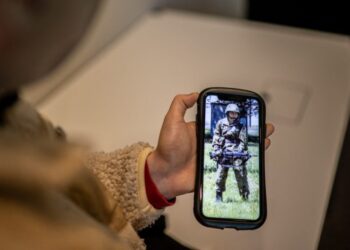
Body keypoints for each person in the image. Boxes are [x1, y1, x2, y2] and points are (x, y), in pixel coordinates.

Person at [0, 1, 275, 249]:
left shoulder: (10, 111)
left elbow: (68, 187)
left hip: (230, 161)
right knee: (222, 182)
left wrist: (157, 173)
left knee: (238, 183)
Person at [212, 103, 249, 202]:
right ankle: (218, 197)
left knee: (241, 174)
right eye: (232, 113)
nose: (233, 115)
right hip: (223, 152)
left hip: (237, 153)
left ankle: (244, 196)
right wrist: (216, 149)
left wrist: (239, 152)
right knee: (220, 174)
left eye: (235, 113)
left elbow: (243, 141)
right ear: (228, 113)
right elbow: (216, 136)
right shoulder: (220, 123)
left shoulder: (241, 126)